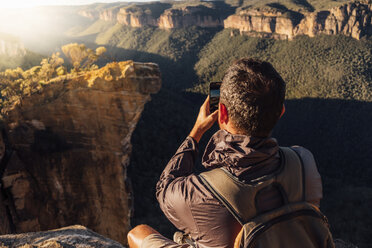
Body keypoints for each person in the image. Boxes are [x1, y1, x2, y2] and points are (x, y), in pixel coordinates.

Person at [127, 58, 323, 248]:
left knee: (138, 234)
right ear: (281, 112)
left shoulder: (200, 194)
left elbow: (164, 188)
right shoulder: (304, 161)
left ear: (222, 113)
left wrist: (196, 131)